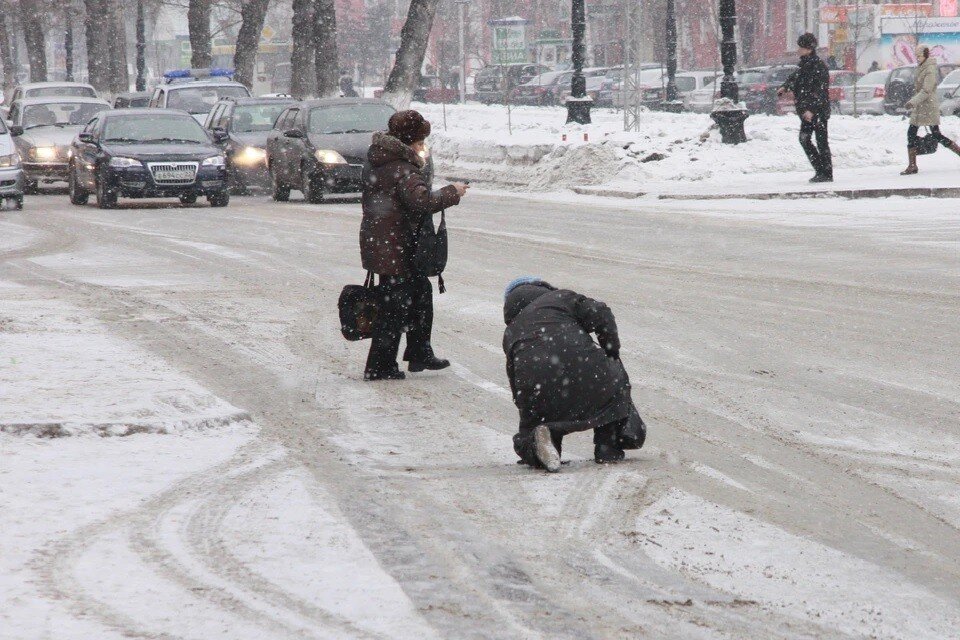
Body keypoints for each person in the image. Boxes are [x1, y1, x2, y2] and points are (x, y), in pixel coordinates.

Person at [360, 110, 470, 380]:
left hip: (385, 242)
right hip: (398, 246)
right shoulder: (403, 169)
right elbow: (421, 202)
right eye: (420, 142)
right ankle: (380, 366)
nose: (423, 148)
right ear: (410, 142)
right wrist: (451, 192)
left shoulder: (379, 161)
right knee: (394, 306)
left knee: (419, 293)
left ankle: (419, 351)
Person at [502, 277, 647, 472]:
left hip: (539, 391)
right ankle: (608, 447)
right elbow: (601, 312)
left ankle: (541, 444)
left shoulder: (511, 331)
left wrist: (530, 420)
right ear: (542, 288)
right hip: (587, 374)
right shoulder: (560, 298)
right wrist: (610, 349)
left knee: (537, 427)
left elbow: (516, 382)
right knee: (612, 383)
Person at [779, 33, 833, 183]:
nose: (798, 50)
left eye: (801, 47)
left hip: (818, 110)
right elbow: (796, 77)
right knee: (804, 139)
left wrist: (812, 109)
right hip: (805, 111)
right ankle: (820, 170)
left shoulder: (818, 66)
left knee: (821, 141)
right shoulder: (804, 65)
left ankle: (826, 173)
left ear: (809, 49)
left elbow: (820, 90)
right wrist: (785, 86)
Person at [900, 44, 960, 175]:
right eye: (916, 56)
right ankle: (912, 165)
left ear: (926, 55)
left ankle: (913, 165)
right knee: (911, 133)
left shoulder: (930, 69)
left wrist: (912, 101)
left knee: (936, 134)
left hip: (928, 106)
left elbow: (926, 90)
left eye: (919, 56)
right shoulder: (922, 67)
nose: (917, 58)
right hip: (920, 106)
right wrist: (915, 102)